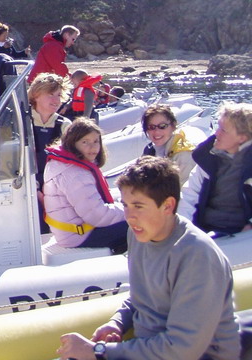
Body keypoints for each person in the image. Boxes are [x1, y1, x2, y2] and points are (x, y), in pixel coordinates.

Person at [58, 156, 240, 360]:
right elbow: (143, 294)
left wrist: (99, 352)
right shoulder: (138, 234)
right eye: (125, 205)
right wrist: (118, 322)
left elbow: (182, 349)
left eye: (138, 206)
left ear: (168, 206)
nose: (129, 216)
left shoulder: (196, 255)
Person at [43, 117, 127, 252]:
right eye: (85, 142)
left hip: (71, 232)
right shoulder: (75, 174)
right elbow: (97, 216)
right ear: (72, 143)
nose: (92, 147)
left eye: (95, 141)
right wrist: (130, 210)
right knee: (141, 223)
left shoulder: (62, 164)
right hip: (79, 236)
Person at [178, 101, 252, 235]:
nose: (216, 133)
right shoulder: (208, 159)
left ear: (242, 138)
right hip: (206, 232)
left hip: (242, 235)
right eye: (218, 127)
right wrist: (183, 232)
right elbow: (189, 197)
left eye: (223, 130)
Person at [28, 73, 72, 233]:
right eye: (50, 94)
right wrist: (35, 189)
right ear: (36, 95)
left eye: (58, 95)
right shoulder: (20, 121)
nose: (56, 100)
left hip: (54, 186)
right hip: (26, 185)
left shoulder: (65, 125)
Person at [140, 103, 197, 185]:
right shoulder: (150, 150)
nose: (157, 132)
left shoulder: (183, 155)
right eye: (151, 127)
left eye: (162, 126)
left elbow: (181, 190)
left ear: (173, 126)